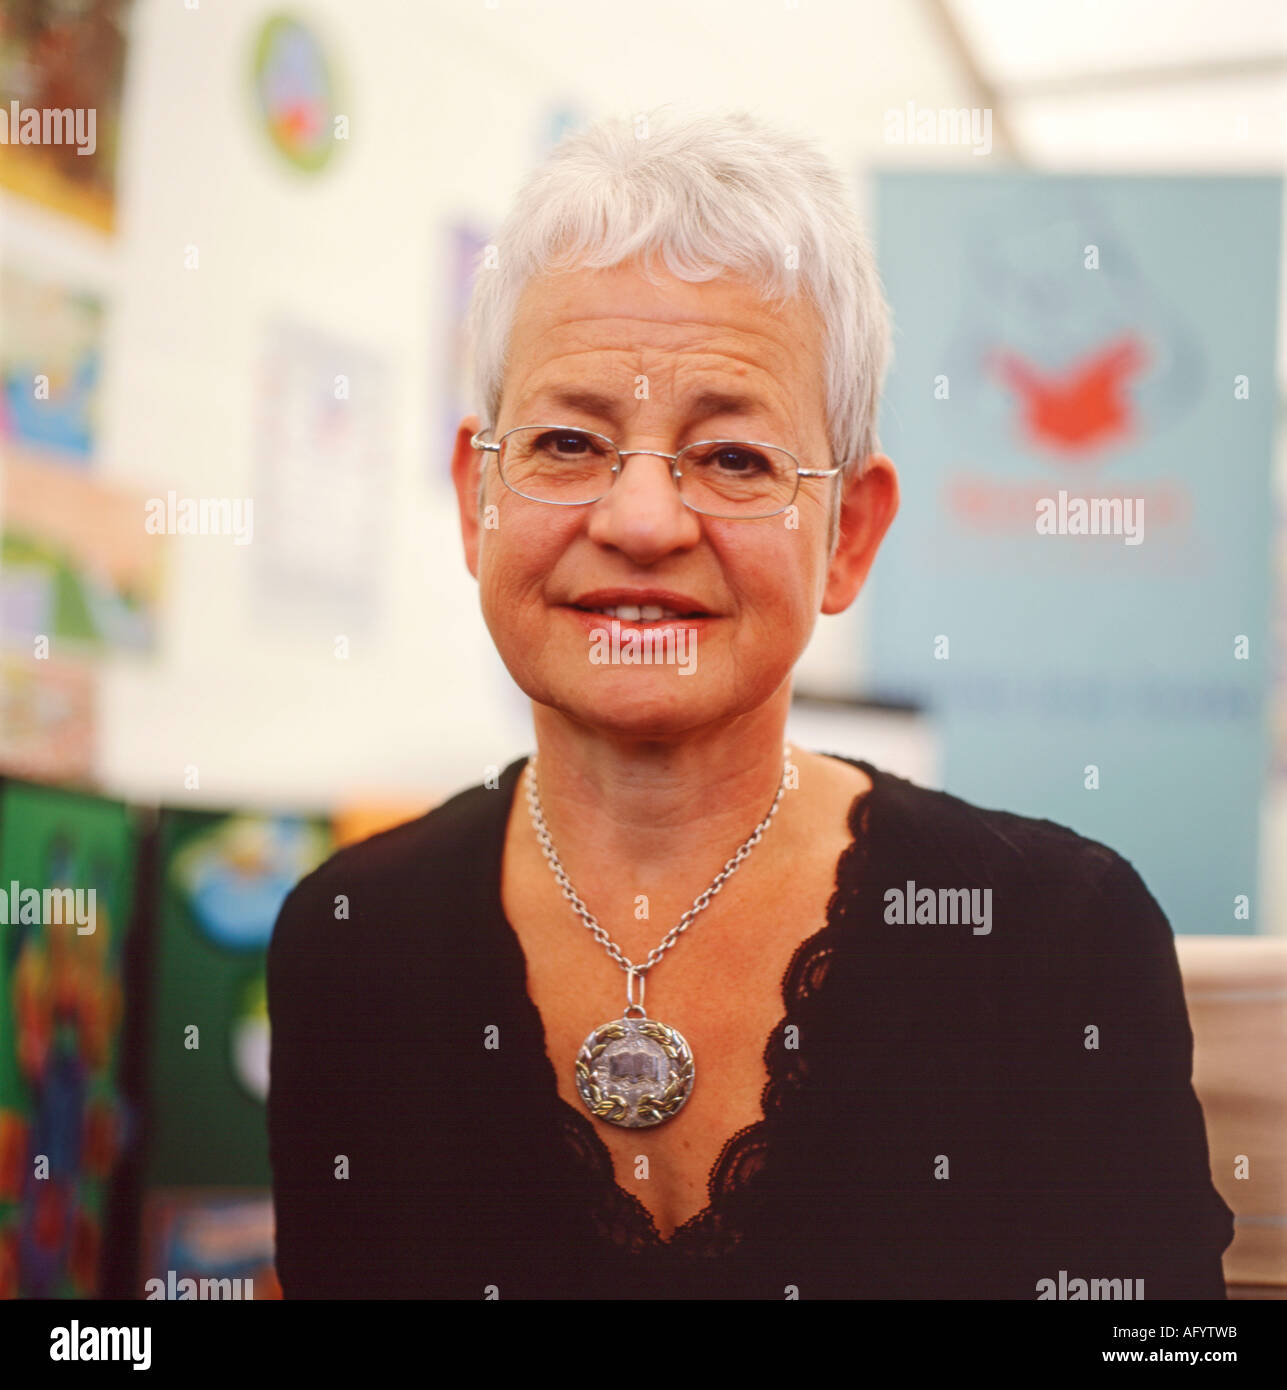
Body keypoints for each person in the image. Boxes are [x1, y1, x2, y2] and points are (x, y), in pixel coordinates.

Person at [267, 109, 1234, 1299]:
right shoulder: (350, 941)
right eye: (569, 442)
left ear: (849, 534)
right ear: (479, 500)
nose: (640, 520)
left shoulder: (1050, 940)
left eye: (733, 460)